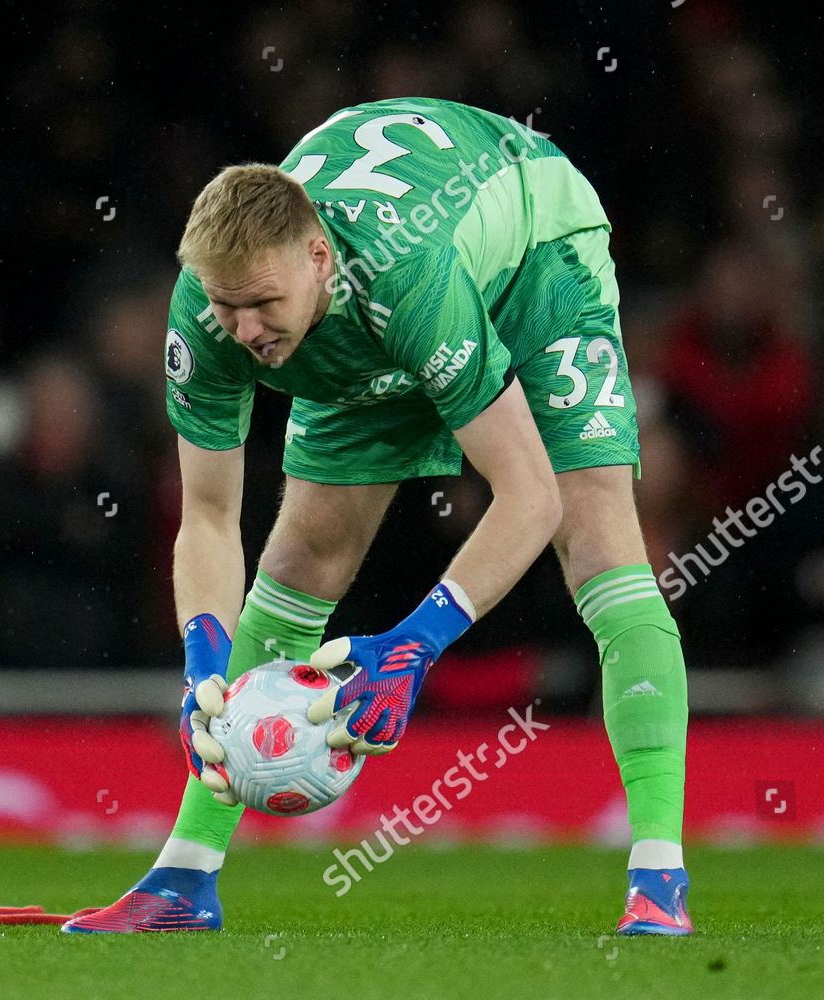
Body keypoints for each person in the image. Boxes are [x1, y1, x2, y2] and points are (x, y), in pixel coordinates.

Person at [63, 98, 691, 936]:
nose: (243, 329)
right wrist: (201, 660)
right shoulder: (211, 315)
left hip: (532, 262)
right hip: (365, 325)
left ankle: (659, 875)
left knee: (597, 531)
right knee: (301, 560)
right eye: (225, 306)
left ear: (318, 258)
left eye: (260, 303)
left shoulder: (408, 278)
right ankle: (182, 879)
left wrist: (412, 646)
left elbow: (528, 496)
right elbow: (209, 518)